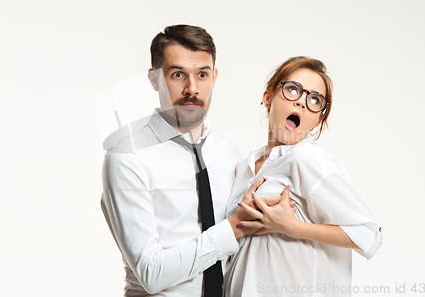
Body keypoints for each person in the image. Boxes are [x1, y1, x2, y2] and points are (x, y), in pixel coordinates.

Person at [100, 25, 289, 297]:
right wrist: (233, 227)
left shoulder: (227, 151)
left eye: (202, 74)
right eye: (178, 74)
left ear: (214, 77)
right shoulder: (126, 158)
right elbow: (151, 273)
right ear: (154, 79)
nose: (192, 88)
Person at [224, 56, 383, 297]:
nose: (300, 103)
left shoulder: (305, 158)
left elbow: (368, 234)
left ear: (319, 118)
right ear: (268, 98)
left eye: (314, 100)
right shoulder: (243, 168)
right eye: (292, 90)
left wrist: (293, 227)